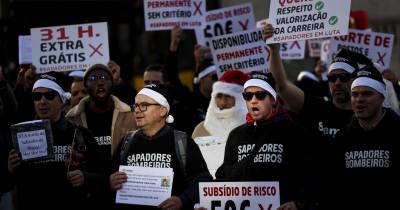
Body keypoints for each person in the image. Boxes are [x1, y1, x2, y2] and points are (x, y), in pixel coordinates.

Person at [215, 72, 312, 210]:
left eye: (260, 95)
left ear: (273, 99)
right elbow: (224, 176)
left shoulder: (294, 132)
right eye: (248, 96)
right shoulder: (236, 134)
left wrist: (298, 203)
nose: (253, 100)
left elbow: (310, 176)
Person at [7, 72, 102, 210]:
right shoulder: (21, 134)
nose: (42, 101)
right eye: (37, 96)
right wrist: (10, 169)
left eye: (50, 96)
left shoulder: (80, 134)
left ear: (62, 101)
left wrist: (85, 177)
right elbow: (7, 185)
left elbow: (101, 175)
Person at [109, 84, 212, 210]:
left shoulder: (182, 141)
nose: (137, 110)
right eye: (136, 105)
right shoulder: (127, 141)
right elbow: (107, 176)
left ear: (162, 110)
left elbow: (203, 179)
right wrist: (111, 181)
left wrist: (182, 200)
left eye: (144, 105)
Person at [65, 63, 137, 208]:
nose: (100, 81)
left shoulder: (130, 116)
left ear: (112, 83)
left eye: (105, 77)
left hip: (123, 193)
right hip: (87, 196)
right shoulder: (72, 119)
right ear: (85, 85)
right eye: (93, 78)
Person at [328, 65, 399, 209]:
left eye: (367, 94)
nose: (359, 99)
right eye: (355, 94)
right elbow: (332, 186)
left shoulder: (396, 132)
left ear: (381, 97)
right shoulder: (342, 138)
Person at [192, 70, 249, 178]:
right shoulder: (201, 130)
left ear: (241, 99)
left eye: (228, 96)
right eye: (219, 96)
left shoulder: (254, 129)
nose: (223, 102)